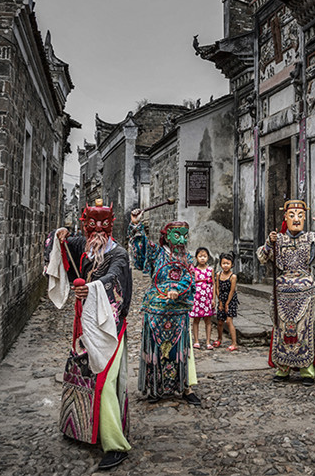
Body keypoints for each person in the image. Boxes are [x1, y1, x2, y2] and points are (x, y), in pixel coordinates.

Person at [45, 200, 132, 470]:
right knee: (82, 375)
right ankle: (81, 428)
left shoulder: (118, 254)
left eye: (103, 226)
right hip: (83, 324)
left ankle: (115, 443)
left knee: (104, 380)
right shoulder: (83, 246)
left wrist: (92, 288)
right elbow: (60, 244)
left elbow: (115, 278)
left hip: (109, 326)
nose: (97, 232)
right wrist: (60, 233)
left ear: (111, 226)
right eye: (91, 226)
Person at [256, 199, 315, 385]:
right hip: (282, 292)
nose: (296, 219)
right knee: (282, 330)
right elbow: (262, 257)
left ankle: (307, 371)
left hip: (305, 292)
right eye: (292, 215)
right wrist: (269, 244)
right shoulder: (277, 238)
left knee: (304, 331)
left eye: (301, 216)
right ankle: (283, 368)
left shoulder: (312, 238)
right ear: (285, 217)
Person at [127, 210, 200, 406]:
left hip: (178, 311)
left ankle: (185, 387)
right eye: (177, 235)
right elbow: (140, 250)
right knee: (156, 350)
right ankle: (155, 387)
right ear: (166, 237)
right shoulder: (156, 253)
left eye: (185, 235)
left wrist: (178, 289)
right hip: (156, 309)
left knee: (180, 350)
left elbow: (190, 279)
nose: (182, 239)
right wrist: (136, 225)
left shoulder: (188, 259)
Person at [190, 247, 216, 350]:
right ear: (196, 258)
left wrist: (214, 299)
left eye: (204, 256)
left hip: (207, 298)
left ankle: (208, 341)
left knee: (208, 320)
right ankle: (196, 340)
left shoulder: (210, 270)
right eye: (200, 256)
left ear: (208, 257)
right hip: (197, 298)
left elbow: (213, 284)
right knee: (196, 320)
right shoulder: (194, 271)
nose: (202, 258)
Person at [214, 253, 239, 351]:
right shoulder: (218, 274)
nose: (225, 265)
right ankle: (219, 339)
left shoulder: (233, 276)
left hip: (231, 299)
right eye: (223, 263)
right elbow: (217, 288)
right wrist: (220, 302)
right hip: (221, 298)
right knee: (220, 321)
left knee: (229, 321)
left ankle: (234, 343)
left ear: (232, 265)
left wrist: (227, 303)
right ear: (220, 264)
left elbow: (232, 291)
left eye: (228, 263)